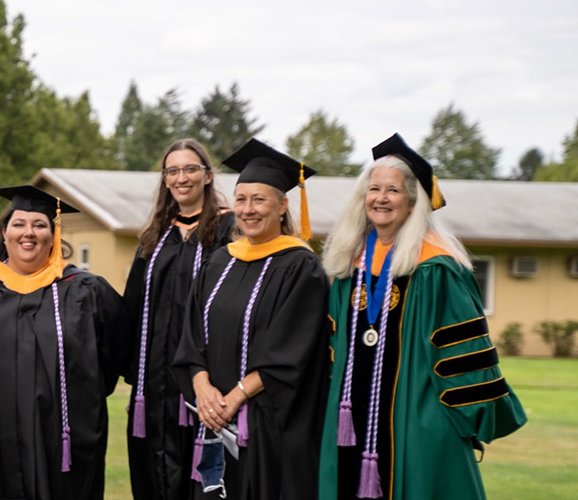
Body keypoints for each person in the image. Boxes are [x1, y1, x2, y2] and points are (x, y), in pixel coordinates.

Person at [317, 134, 526, 500]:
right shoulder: (349, 265)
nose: (381, 198)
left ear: (413, 200)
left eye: (393, 191)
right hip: (350, 418)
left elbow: (463, 354)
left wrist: (467, 420)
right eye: (374, 189)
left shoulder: (435, 268)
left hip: (415, 420)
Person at [173, 139, 330, 500]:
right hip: (213, 418)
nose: (248, 210)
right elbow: (191, 333)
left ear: (282, 205)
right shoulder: (220, 261)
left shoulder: (301, 268)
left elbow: (292, 351)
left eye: (259, 200)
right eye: (241, 200)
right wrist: (201, 387)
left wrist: (233, 399)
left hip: (267, 424)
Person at [0, 185, 128, 499]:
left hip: (63, 439)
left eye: (39, 225)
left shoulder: (86, 291)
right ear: (4, 233)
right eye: (19, 224)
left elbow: (116, 352)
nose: (28, 233)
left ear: (54, 234)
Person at [124, 139, 235, 499]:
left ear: (207, 175)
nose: (181, 177)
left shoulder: (229, 230)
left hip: (205, 380)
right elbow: (132, 306)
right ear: (165, 179)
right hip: (154, 382)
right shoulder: (156, 235)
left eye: (190, 169)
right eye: (173, 171)